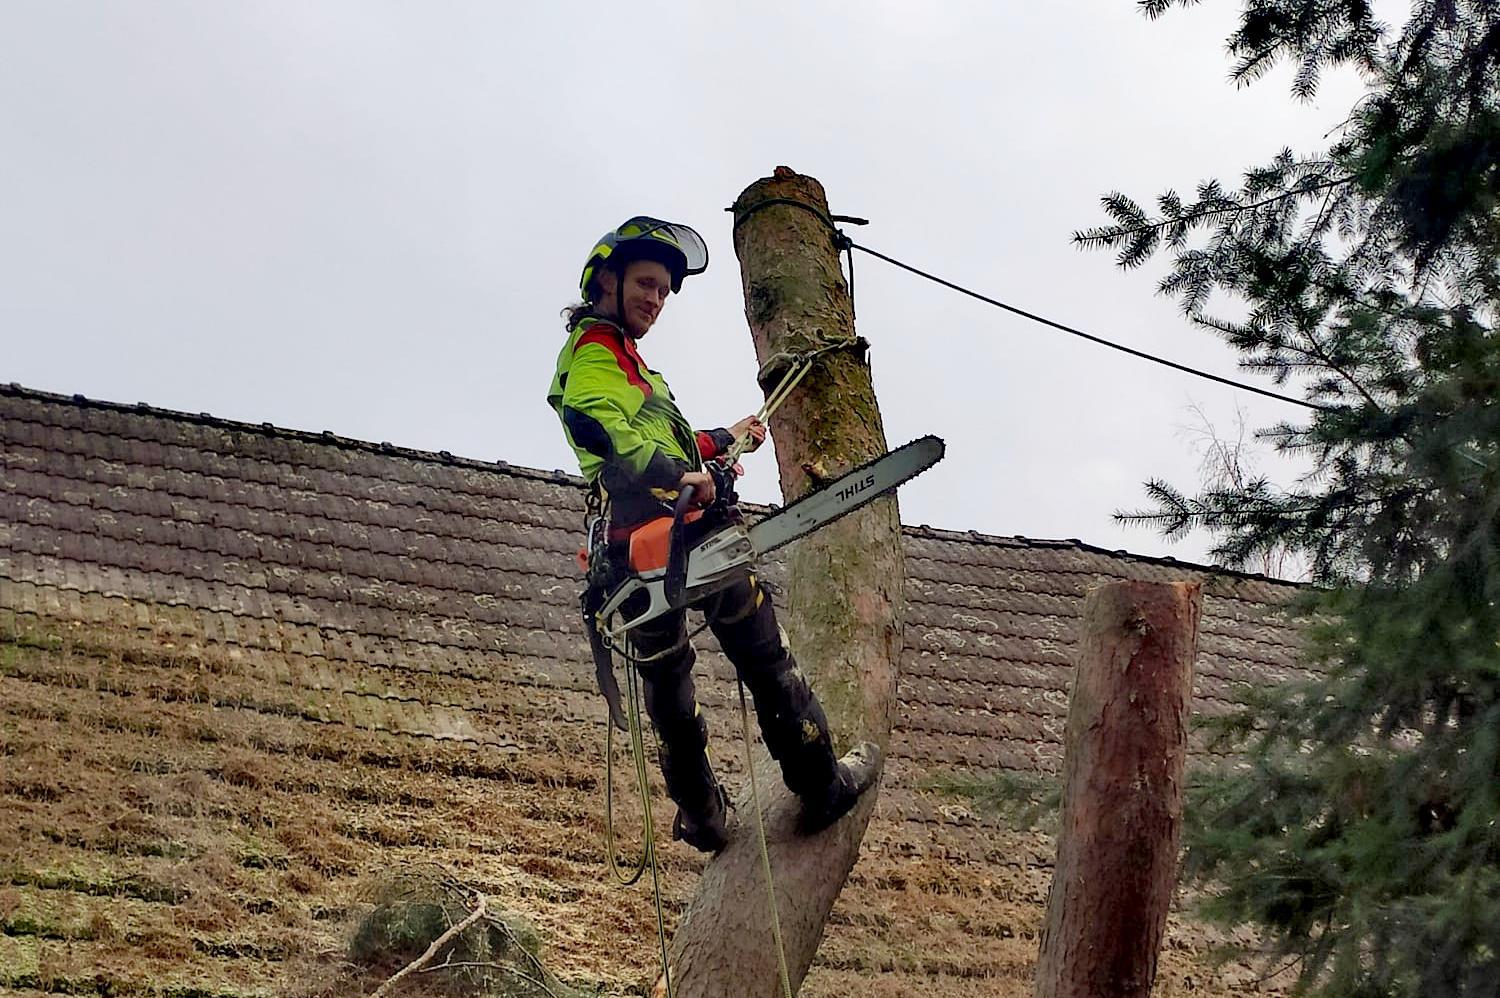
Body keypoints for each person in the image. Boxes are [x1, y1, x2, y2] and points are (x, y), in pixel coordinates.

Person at [547, 216, 878, 853]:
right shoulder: (594, 357)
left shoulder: (624, 362)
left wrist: (725, 440)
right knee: (765, 658)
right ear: (608, 281)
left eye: (665, 291)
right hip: (682, 541)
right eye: (646, 284)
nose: (655, 299)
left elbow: (657, 439)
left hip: (630, 557)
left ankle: (702, 815)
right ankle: (819, 784)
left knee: (669, 688)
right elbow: (607, 436)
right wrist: (681, 475)